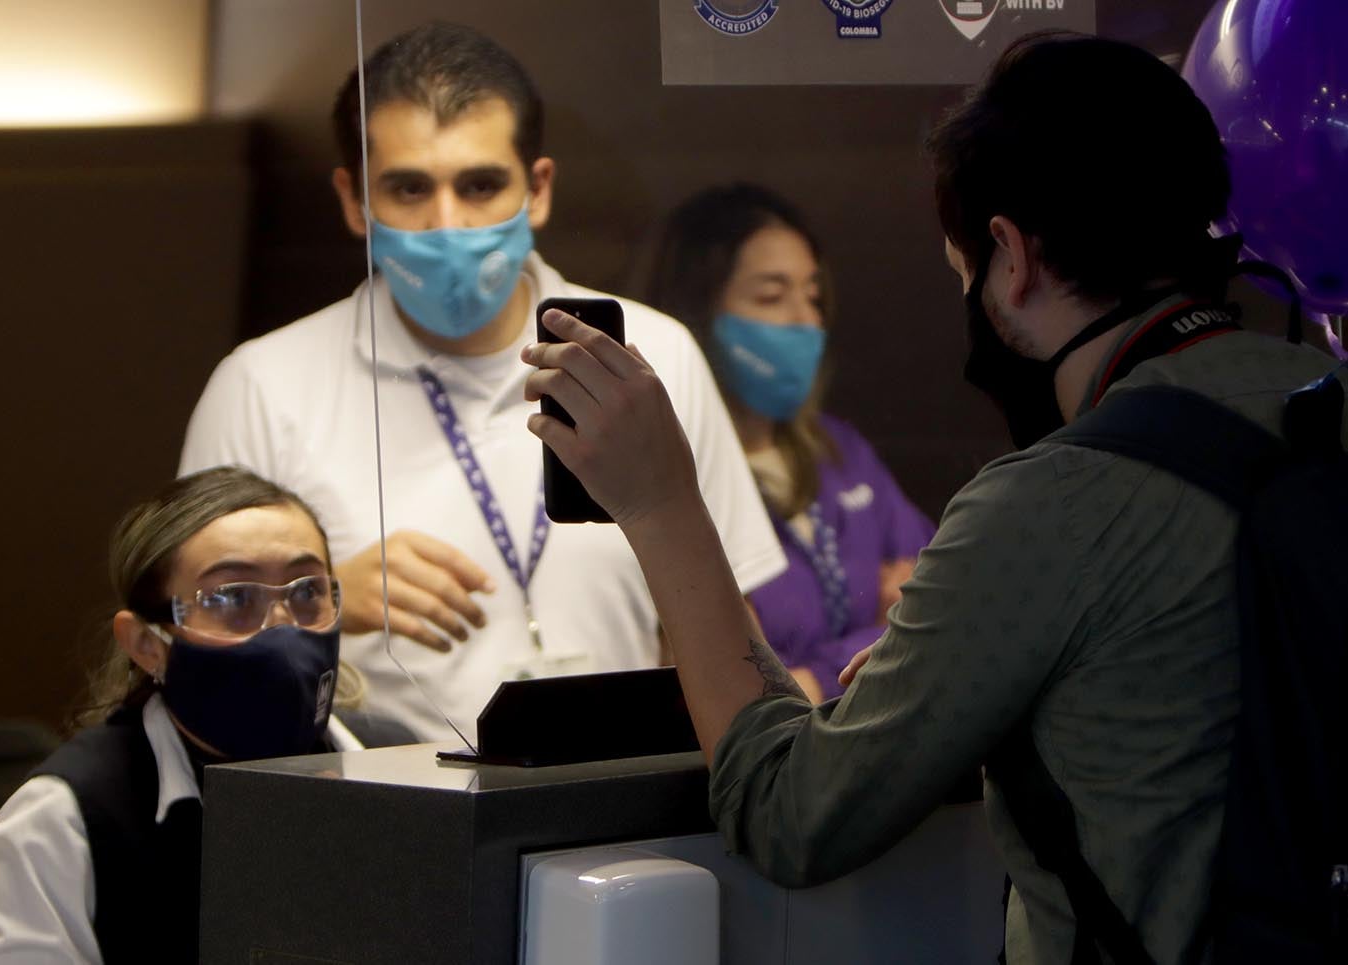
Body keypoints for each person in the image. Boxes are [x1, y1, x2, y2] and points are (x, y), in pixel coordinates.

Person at [521, 32, 1348, 964]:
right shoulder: (1325, 407)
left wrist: (661, 504)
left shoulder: (1052, 501)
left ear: (1007, 254)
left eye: (960, 269)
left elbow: (790, 812)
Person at [178, 22, 784, 742]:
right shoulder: (261, 385)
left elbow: (729, 624)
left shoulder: (653, 356)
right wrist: (322, 598)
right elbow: (195, 657)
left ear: (538, 188)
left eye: (480, 184)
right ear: (352, 200)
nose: (447, 225)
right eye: (408, 188)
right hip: (380, 812)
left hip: (626, 802)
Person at [0, 467, 365, 964]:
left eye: (306, 592)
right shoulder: (67, 819)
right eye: (233, 597)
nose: (281, 627)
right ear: (148, 645)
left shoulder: (401, 765)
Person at [649, 183, 933, 702]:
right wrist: (885, 641)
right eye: (772, 296)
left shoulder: (840, 451)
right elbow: (735, 691)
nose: (807, 321)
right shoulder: (671, 480)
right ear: (698, 315)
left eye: (813, 295)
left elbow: (944, 606)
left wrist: (813, 679)